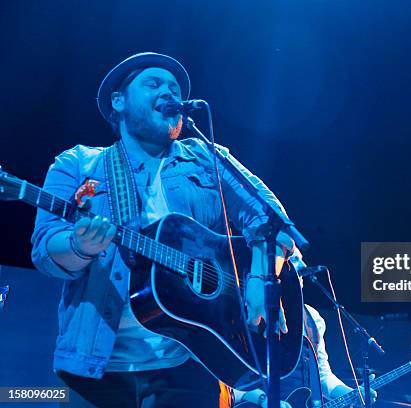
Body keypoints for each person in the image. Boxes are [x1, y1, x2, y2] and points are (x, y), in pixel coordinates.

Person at [31, 52, 293, 407]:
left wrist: (262, 280)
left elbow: (272, 221)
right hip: (94, 371)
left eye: (174, 87)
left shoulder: (206, 157)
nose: (169, 92)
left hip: (191, 363)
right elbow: (46, 251)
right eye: (154, 83)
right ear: (118, 101)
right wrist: (80, 246)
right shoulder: (77, 163)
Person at [230, 305, 377, 407]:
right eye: (291, 259)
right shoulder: (250, 309)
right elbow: (231, 379)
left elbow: (322, 375)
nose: (301, 264)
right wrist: (264, 400)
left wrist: (351, 393)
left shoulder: (311, 317)